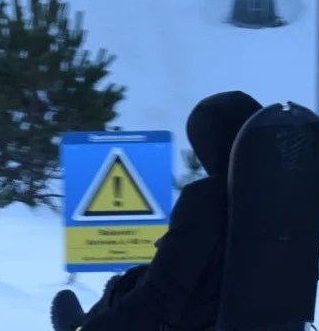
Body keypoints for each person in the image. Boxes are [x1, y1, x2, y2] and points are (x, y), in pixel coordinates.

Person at [51, 91, 264, 331]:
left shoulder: (206, 199)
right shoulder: (295, 201)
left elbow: (158, 300)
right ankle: (91, 316)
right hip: (273, 321)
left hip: (199, 323)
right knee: (133, 280)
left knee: (134, 290)